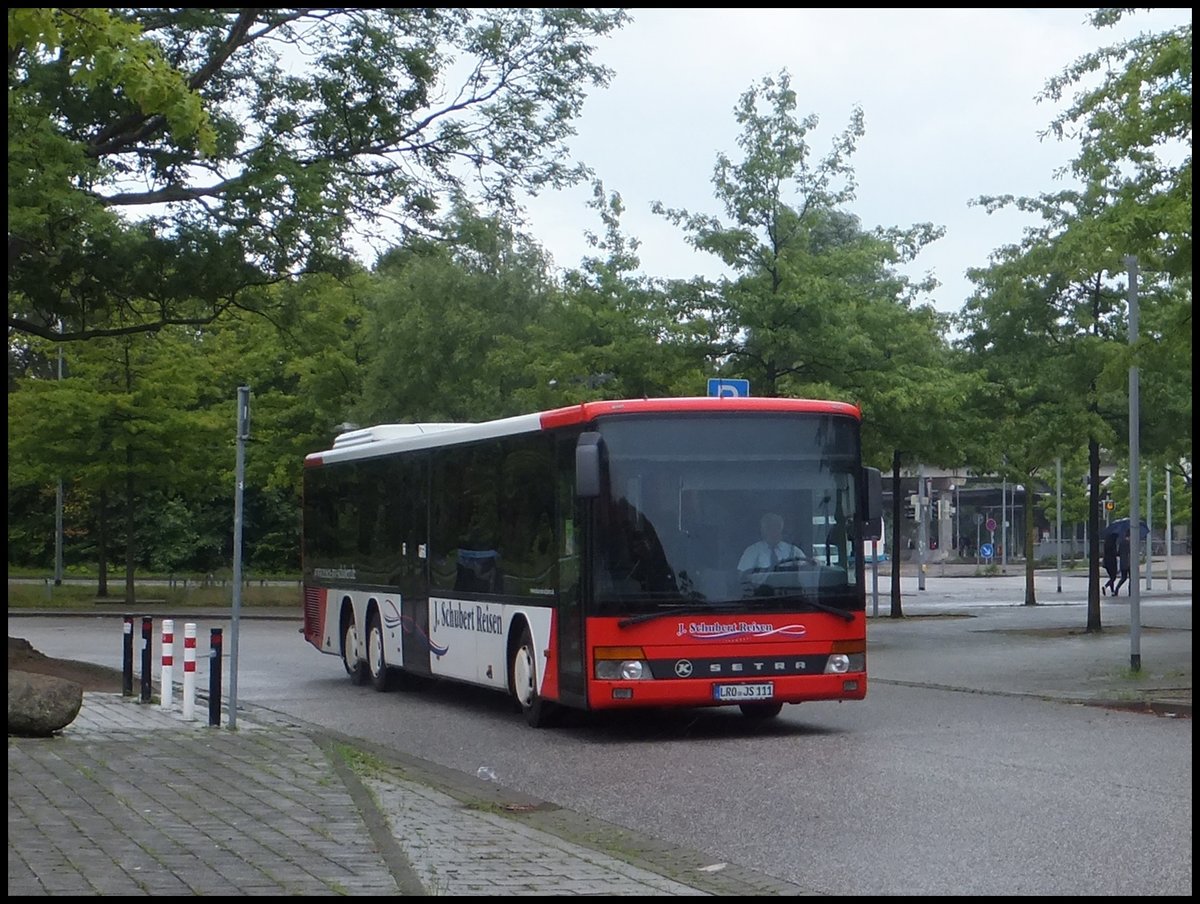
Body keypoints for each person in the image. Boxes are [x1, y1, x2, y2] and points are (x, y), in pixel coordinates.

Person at [738, 512, 807, 577]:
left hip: (788, 589)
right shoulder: (752, 551)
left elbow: (806, 572)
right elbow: (742, 576)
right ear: (762, 531)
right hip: (759, 589)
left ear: (781, 529)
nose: (773, 531)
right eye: (769, 528)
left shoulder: (793, 551)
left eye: (776, 527)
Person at [1101, 531, 1119, 596]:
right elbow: (1115, 553)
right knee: (1113, 577)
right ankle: (1105, 586)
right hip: (1112, 562)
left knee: (1111, 577)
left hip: (1106, 562)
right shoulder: (1113, 545)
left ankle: (1112, 591)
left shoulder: (1106, 544)